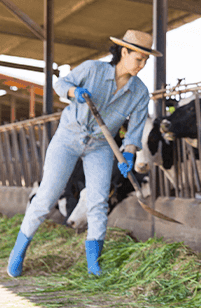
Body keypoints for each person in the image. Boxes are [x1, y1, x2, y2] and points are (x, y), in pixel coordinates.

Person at [6, 29, 159, 278]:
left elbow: (135, 130)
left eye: (145, 60)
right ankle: (19, 251)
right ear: (124, 51)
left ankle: (94, 265)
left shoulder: (139, 92)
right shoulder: (92, 70)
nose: (141, 66)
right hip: (68, 137)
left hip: (100, 145)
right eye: (138, 58)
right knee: (46, 197)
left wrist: (129, 153)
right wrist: (73, 93)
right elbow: (60, 83)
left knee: (98, 202)